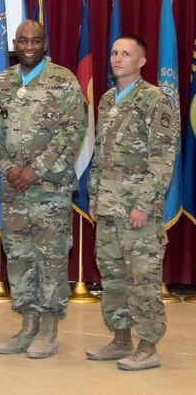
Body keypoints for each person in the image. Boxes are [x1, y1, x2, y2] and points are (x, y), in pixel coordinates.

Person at [0, 20, 86, 359]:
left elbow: (74, 130)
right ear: (14, 44)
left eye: (35, 40)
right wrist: (7, 169)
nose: (28, 46)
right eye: (22, 41)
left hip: (50, 190)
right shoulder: (1, 83)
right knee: (18, 258)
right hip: (13, 189)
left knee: (51, 258)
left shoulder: (64, 80)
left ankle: (48, 328)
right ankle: (28, 324)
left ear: (45, 43)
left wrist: (37, 169)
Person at [86, 35, 175, 371]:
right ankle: (120, 339)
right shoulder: (109, 100)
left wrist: (144, 204)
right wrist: (95, 197)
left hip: (138, 210)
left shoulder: (155, 100)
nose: (118, 58)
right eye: (114, 52)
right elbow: (101, 155)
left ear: (142, 61)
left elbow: (162, 158)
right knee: (113, 277)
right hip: (108, 207)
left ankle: (148, 346)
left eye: (126, 54)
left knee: (142, 279)